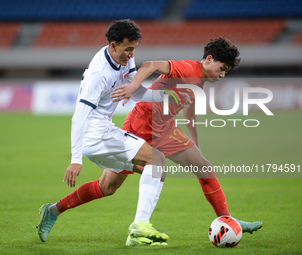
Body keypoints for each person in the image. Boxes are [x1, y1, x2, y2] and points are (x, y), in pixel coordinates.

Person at [36, 19, 189, 246]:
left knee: (110, 186)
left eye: (134, 49)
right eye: (128, 49)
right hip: (96, 134)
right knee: (156, 160)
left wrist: (164, 98)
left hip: (103, 132)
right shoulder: (99, 74)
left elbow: (134, 92)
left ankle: (53, 211)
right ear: (113, 45)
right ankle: (139, 228)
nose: (131, 54)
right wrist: (75, 160)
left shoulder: (124, 58)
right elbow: (79, 116)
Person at [110, 37, 263, 234]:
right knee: (108, 186)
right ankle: (57, 208)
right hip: (140, 125)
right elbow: (150, 65)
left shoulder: (200, 81)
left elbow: (189, 112)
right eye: (222, 68)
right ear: (208, 59)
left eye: (226, 71)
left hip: (163, 128)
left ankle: (227, 219)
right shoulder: (187, 69)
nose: (223, 75)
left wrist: (196, 145)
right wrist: (133, 87)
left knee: (204, 166)